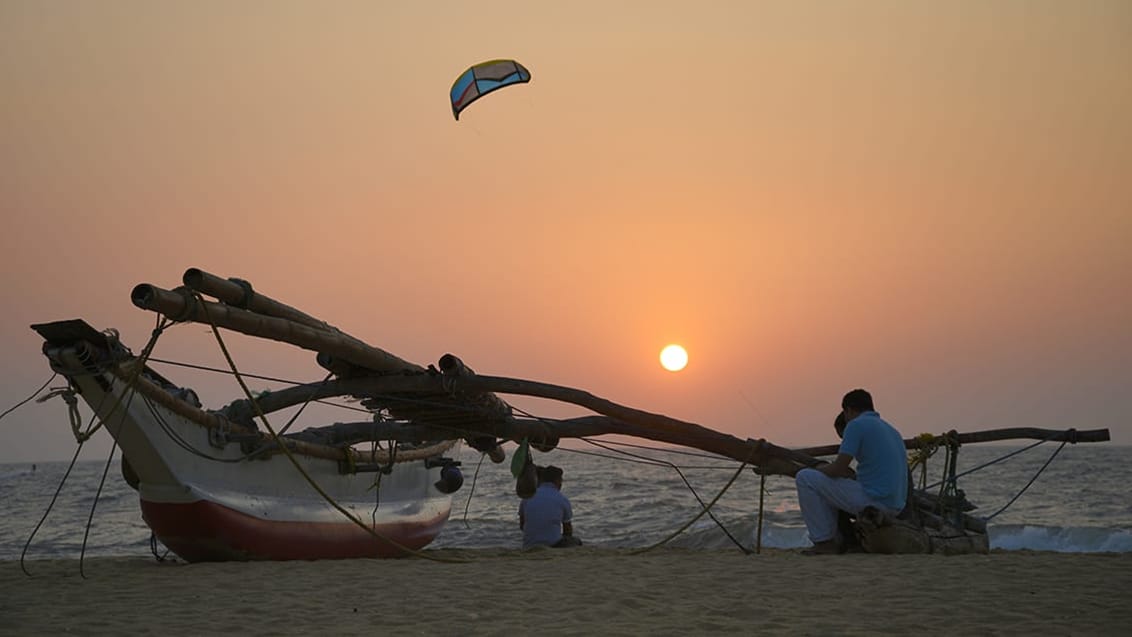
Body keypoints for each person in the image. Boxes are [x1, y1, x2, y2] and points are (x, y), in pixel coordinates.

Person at [795, 388, 908, 554]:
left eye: (845, 412)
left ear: (848, 410)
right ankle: (841, 538)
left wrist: (819, 468)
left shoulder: (855, 425)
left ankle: (824, 542)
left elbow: (838, 468)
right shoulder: (891, 429)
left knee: (805, 477)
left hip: (875, 502)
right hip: (897, 505)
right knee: (828, 485)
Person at [518, 465, 582, 549]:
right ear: (557, 481)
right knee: (577, 541)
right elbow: (568, 530)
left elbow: (522, 525)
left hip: (529, 545)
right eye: (561, 481)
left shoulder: (528, 497)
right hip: (553, 545)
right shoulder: (562, 499)